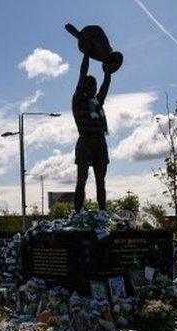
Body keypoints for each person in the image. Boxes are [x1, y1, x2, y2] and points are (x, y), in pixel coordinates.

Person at [72, 52, 111, 213]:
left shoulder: (97, 103)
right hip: (85, 142)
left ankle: (102, 212)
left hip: (100, 143)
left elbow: (106, 84)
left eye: (95, 86)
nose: (94, 89)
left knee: (101, 182)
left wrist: (108, 70)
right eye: (91, 86)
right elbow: (82, 75)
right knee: (81, 180)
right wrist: (87, 54)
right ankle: (78, 212)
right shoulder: (78, 101)